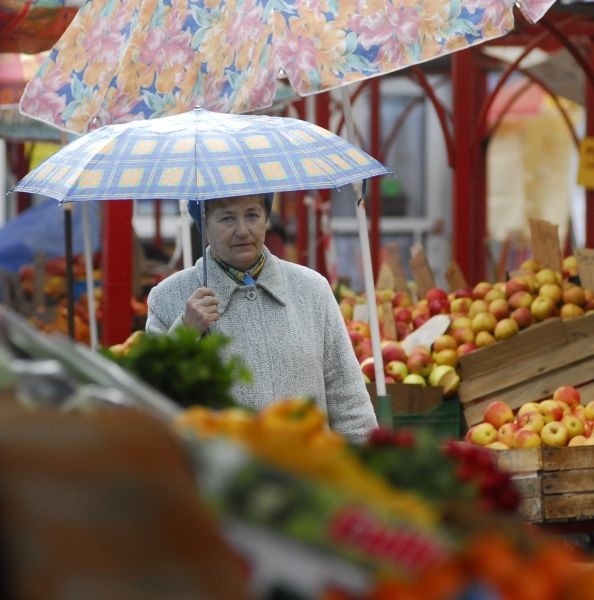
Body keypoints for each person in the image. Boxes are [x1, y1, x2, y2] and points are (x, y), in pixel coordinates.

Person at [145, 193, 378, 444]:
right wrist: (185, 334)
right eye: (226, 219)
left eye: (252, 215)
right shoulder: (168, 297)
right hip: (223, 477)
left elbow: (347, 397)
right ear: (204, 225)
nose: (243, 230)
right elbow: (152, 404)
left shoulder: (312, 290)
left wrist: (369, 463)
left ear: (266, 218)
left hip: (310, 473)